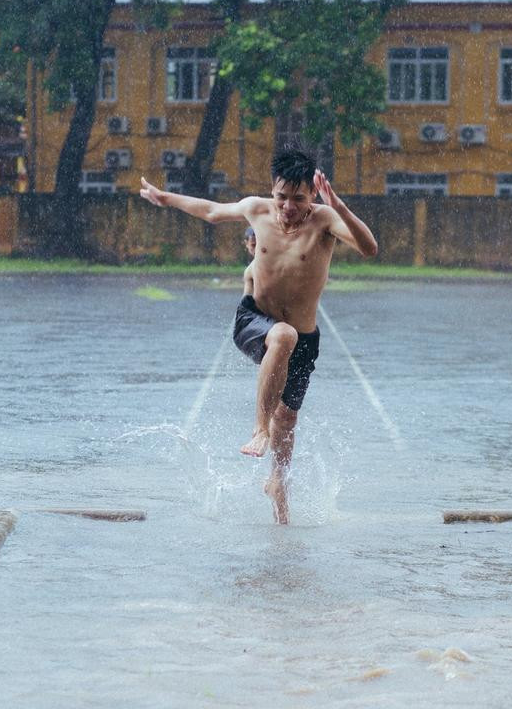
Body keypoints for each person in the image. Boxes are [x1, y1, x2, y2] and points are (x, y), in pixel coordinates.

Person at [139, 149, 378, 524]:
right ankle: (258, 429)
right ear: (273, 191)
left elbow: (369, 248)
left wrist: (341, 207)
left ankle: (278, 486)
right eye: (282, 197)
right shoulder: (258, 209)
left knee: (288, 420)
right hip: (254, 321)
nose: (288, 207)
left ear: (312, 197)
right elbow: (212, 211)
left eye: (298, 200)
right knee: (282, 337)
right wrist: (165, 198)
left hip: (306, 337)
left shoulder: (325, 220)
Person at [242, 226, 257, 296]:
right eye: (253, 245)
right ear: (246, 244)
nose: (257, 249)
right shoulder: (249, 271)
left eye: (260, 245)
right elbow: (246, 301)